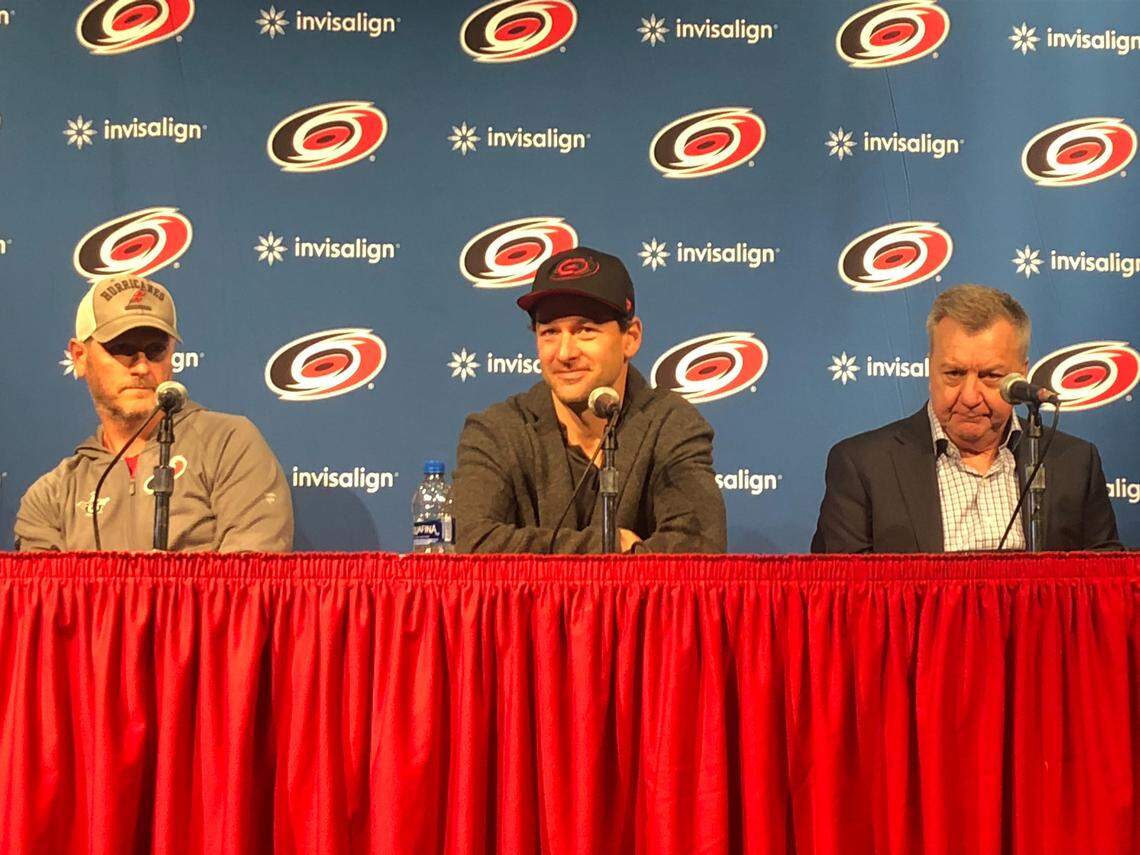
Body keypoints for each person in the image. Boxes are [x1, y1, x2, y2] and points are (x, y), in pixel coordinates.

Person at [452, 246, 726, 553]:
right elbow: (468, 542)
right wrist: (608, 546)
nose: (565, 353)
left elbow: (699, 546)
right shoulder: (497, 430)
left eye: (585, 330)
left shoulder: (673, 424)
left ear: (630, 338)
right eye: (550, 332)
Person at [811, 284, 1121, 553]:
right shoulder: (862, 465)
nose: (970, 397)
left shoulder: (1076, 463)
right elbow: (845, 599)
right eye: (954, 374)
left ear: (1021, 373)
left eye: (990, 376)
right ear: (930, 369)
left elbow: (1105, 592)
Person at [15, 275, 293, 552]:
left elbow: (252, 582)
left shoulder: (229, 445)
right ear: (79, 356)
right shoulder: (51, 496)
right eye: (121, 350)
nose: (142, 367)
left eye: (155, 350)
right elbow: (45, 596)